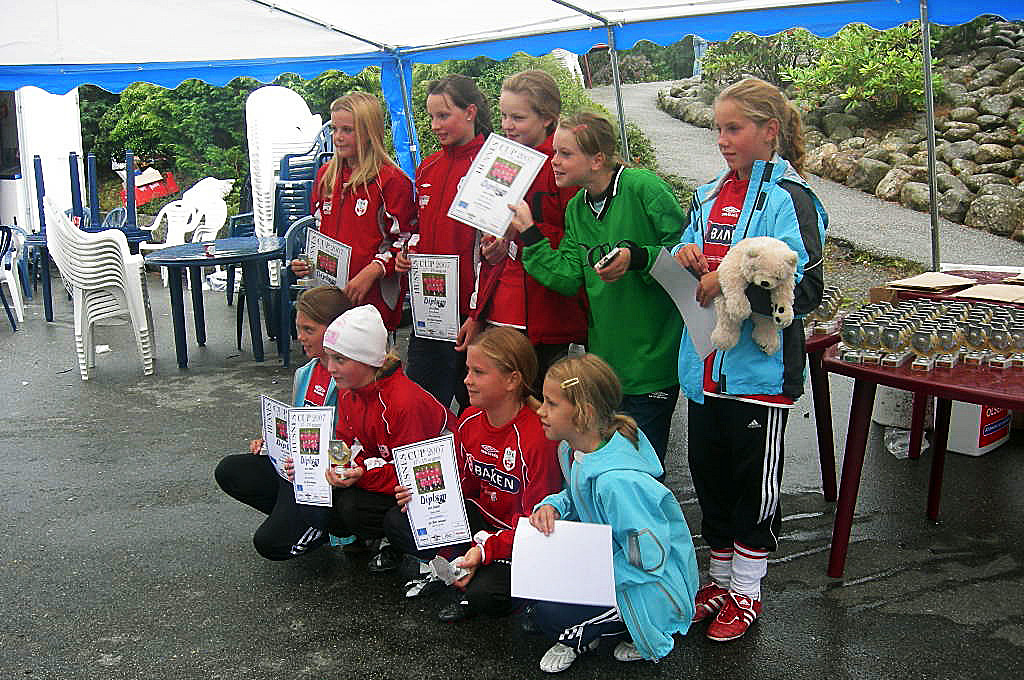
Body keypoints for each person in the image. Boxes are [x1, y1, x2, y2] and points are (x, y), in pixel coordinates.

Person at [672, 77, 827, 642]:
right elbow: (692, 259)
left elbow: (807, 290)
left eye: (733, 128)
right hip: (705, 366)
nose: (722, 140)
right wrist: (687, 254)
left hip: (759, 371)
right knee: (710, 477)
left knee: (752, 483)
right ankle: (718, 579)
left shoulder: (793, 198)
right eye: (718, 128)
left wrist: (730, 284)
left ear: (770, 130)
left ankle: (748, 588)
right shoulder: (708, 193)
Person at [510, 112, 684, 466]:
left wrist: (637, 257)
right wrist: (529, 233)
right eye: (555, 152)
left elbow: (685, 249)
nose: (554, 161)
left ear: (597, 159)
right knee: (606, 464)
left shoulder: (642, 187)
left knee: (641, 470)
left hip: (652, 360)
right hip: (605, 367)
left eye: (565, 153)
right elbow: (569, 276)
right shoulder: (577, 207)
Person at [528, 353, 699, 673]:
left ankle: (618, 632)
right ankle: (592, 622)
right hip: (611, 559)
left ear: (583, 413)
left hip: (647, 581)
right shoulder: (575, 447)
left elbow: (646, 554)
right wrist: (552, 505)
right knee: (536, 601)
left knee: (549, 617)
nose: (541, 410)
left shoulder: (617, 483)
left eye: (551, 403)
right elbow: (577, 496)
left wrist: (594, 575)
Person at [383, 326, 561, 621]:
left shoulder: (537, 437)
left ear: (512, 380)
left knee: (486, 595)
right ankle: (458, 570)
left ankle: (509, 591)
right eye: (467, 370)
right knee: (400, 519)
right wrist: (423, 496)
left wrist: (486, 550)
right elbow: (463, 486)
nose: (466, 380)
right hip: (482, 525)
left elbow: (537, 524)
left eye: (478, 372)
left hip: (518, 536)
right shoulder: (469, 419)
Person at [457, 70, 587, 385]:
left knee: (538, 402)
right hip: (501, 306)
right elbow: (491, 241)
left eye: (518, 117)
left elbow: (576, 240)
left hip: (545, 313)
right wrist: (496, 246)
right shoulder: (499, 157)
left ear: (547, 119)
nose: (507, 125)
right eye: (503, 115)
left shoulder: (561, 167)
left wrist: (522, 234)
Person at [214, 286, 352, 560]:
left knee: (269, 544)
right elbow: (298, 424)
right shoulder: (305, 373)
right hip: (297, 470)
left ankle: (324, 528)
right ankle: (295, 519)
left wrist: (322, 458)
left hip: (328, 479)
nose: (300, 337)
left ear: (335, 330)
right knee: (229, 469)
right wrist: (272, 442)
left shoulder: (352, 377)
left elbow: (358, 441)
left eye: (309, 330)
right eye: (298, 327)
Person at [320, 304, 455, 570]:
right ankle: (385, 538)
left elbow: (414, 475)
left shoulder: (404, 402)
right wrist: (338, 466)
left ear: (369, 361)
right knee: (332, 500)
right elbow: (343, 438)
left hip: (439, 487)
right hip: (389, 473)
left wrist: (362, 474)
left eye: (340, 359)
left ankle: (412, 548)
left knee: (353, 507)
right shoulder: (349, 388)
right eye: (328, 358)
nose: (330, 368)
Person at [396, 75, 492, 412]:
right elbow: (420, 231)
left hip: (472, 317)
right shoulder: (428, 167)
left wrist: (478, 314)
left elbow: (493, 251)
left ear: (470, 112)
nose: (436, 125)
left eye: (444, 116)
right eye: (432, 117)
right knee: (420, 410)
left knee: (476, 414)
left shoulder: (490, 165)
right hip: (430, 313)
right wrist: (408, 254)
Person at [292, 91, 416, 331]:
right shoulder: (325, 176)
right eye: (334, 129)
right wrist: (307, 262)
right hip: (328, 299)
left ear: (369, 133)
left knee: (364, 366)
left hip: (372, 301)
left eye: (347, 130)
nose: (338, 137)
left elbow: (407, 240)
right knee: (330, 364)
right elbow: (320, 234)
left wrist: (374, 270)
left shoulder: (391, 181)